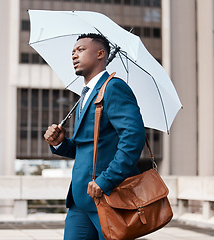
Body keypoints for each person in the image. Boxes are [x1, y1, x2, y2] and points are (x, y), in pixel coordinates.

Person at [44, 33, 145, 240]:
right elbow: (86, 148)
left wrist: (106, 180)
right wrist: (60, 143)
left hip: (107, 196)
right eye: (73, 51)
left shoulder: (114, 87)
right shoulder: (86, 95)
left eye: (80, 50)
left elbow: (133, 138)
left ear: (100, 54)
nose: (74, 55)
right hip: (80, 200)